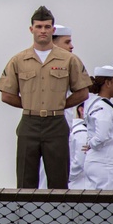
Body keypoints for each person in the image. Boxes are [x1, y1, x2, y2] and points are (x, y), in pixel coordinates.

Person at [0, 6, 91, 189]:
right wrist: (31, 104)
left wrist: (60, 104)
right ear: (31, 29)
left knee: (58, 181)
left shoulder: (69, 59)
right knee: (25, 182)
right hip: (29, 123)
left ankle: (60, 217)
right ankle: (25, 217)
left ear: (53, 30)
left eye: (47, 27)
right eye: (39, 27)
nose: (43, 31)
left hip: (56, 123)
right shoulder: (18, 60)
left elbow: (82, 92)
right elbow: (6, 95)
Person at [39, 24, 80, 188]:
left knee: (61, 176)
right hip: (48, 129)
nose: (71, 46)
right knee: (44, 175)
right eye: (67, 42)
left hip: (64, 130)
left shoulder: (70, 66)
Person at [82, 66, 113, 190]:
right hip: (106, 165)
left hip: (100, 163)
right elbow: (101, 135)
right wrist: (92, 143)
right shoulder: (103, 107)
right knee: (108, 207)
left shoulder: (97, 104)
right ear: (108, 83)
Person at [67, 103, 88, 189]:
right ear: (81, 110)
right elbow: (80, 162)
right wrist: (67, 177)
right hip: (78, 185)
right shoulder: (81, 131)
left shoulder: (72, 130)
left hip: (73, 184)